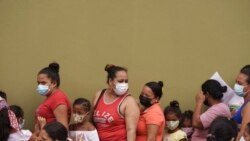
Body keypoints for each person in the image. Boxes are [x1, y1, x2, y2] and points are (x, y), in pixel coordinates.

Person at [92, 64, 139, 141]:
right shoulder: (99, 95)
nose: (124, 84)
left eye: (126, 81)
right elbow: (90, 120)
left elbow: (131, 131)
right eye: (120, 81)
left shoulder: (129, 101)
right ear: (110, 81)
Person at [34, 62, 71, 137]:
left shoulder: (58, 99)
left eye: (43, 83)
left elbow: (63, 130)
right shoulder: (50, 97)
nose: (40, 86)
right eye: (38, 83)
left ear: (54, 83)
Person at [232, 65, 250, 141]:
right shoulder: (245, 102)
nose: (236, 86)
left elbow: (244, 136)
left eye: (239, 84)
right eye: (236, 82)